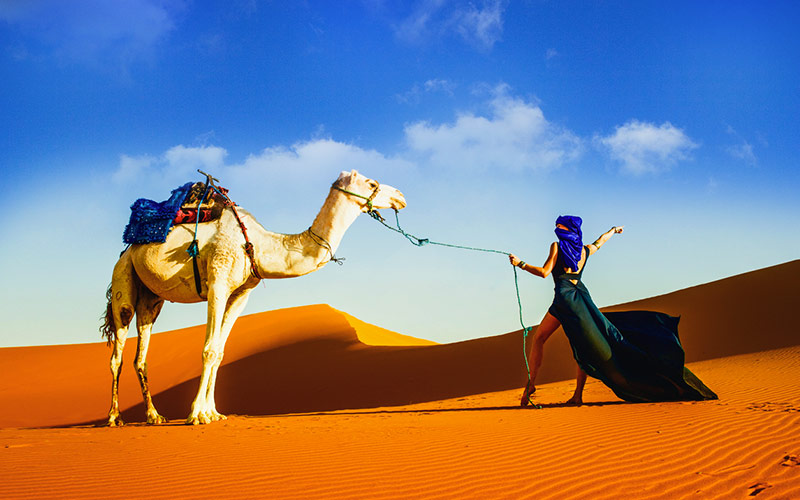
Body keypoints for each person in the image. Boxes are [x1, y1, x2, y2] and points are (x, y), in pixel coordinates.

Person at [508, 215, 717, 407]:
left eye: (559, 225)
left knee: (541, 339)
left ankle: (533, 385)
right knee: (583, 347)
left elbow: (545, 273)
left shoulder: (557, 246)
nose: (556, 228)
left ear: (568, 229)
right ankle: (576, 395)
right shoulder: (584, 250)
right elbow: (600, 242)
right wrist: (613, 230)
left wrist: (521, 264)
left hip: (564, 300)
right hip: (580, 298)